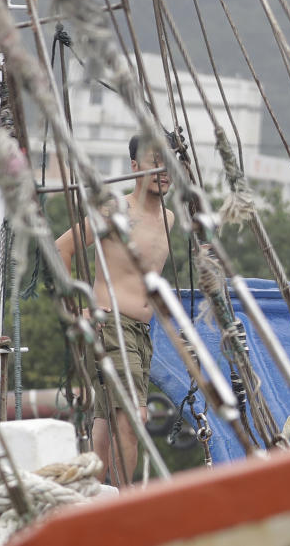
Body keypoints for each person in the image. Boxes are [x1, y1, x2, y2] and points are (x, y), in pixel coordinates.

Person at [56, 134, 174, 484]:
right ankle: (127, 506)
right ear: (135, 167)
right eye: (154, 161)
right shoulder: (115, 211)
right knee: (133, 417)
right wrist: (78, 308)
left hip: (141, 333)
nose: (162, 170)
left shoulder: (169, 218)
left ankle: (92, 494)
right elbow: (62, 248)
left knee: (108, 419)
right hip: (112, 326)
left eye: (168, 163)